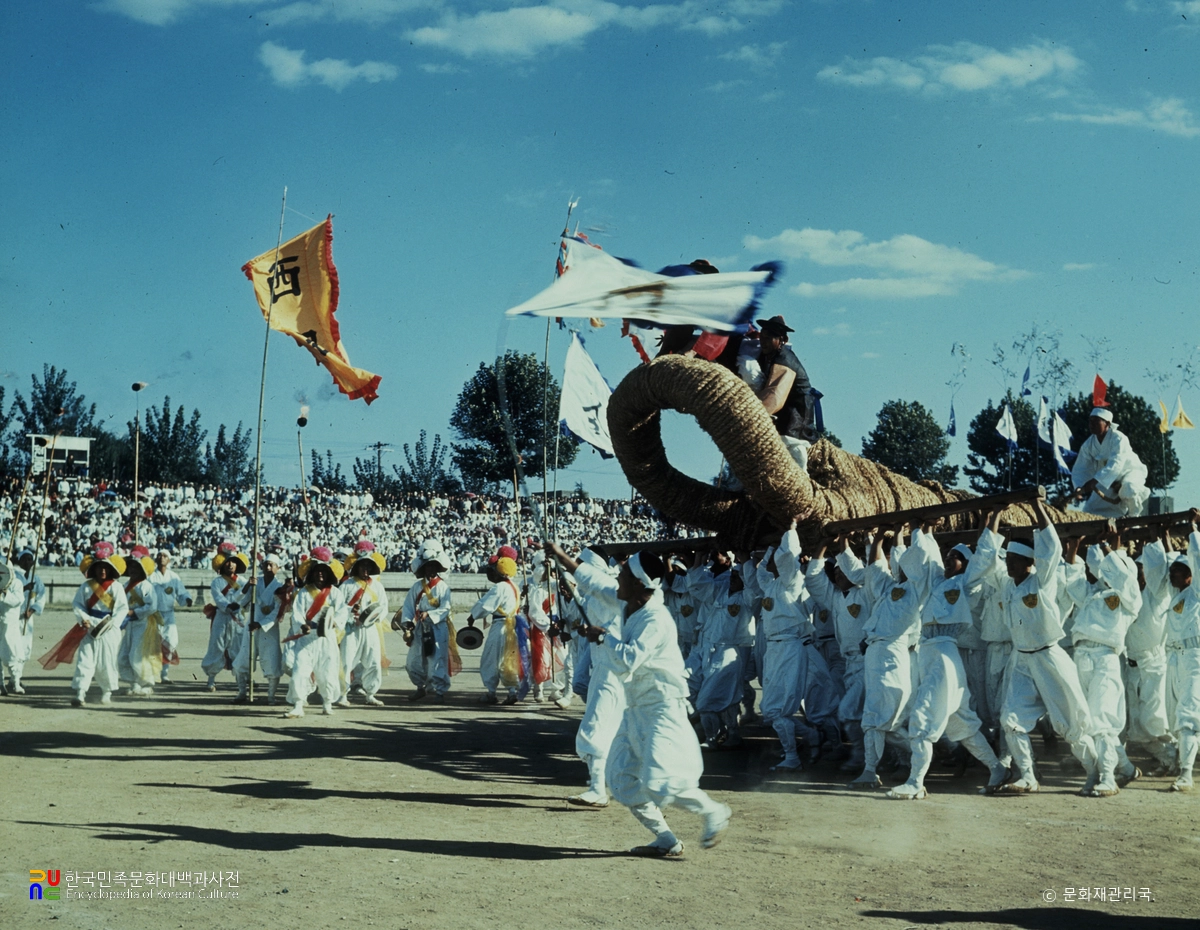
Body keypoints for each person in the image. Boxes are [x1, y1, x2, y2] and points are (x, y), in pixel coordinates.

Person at [597, 549, 731, 858]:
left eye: (623, 575)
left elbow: (629, 659)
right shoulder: (631, 608)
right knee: (620, 778)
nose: (618, 578)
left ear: (639, 582)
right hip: (635, 708)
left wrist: (604, 638)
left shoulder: (655, 618)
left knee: (662, 782)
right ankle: (666, 838)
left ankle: (713, 811)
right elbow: (596, 585)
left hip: (661, 707)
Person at [974, 502, 1100, 795]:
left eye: (1015, 561)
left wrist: (1036, 506)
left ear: (1029, 563)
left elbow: (1051, 549)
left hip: (1048, 657)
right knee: (1011, 720)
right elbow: (987, 557)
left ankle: (1096, 772)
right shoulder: (1007, 585)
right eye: (1008, 560)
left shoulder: (1042, 582)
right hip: (1021, 660)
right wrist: (994, 517)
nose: (1009, 565)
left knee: (1070, 723)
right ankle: (1028, 776)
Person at [886, 520, 1011, 799]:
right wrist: (922, 531)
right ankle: (997, 768)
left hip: (944, 655)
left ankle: (915, 782)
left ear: (965, 564)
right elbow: (924, 560)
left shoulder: (966, 584)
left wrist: (992, 519)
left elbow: (983, 557)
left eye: (955, 557)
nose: (948, 560)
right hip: (932, 654)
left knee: (923, 716)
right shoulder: (936, 584)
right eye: (947, 556)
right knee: (961, 723)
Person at [1125, 528, 1181, 776]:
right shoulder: (1127, 596)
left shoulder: (1157, 594)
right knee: (1137, 728)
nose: (1139, 575)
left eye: (1142, 570)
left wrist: (1157, 540)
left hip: (1154, 664)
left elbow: (1161, 565)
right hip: (1132, 667)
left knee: (1155, 720)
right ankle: (1168, 759)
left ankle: (1178, 756)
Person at [282, 547, 348, 719]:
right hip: (307, 638)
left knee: (328, 670)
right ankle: (298, 704)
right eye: (317, 571)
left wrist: (334, 622)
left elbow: (342, 612)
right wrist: (302, 625)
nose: (320, 574)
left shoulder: (335, 593)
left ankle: (327, 703)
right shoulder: (304, 593)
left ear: (329, 574)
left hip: (327, 637)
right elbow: (297, 614)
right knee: (300, 670)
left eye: (324, 571)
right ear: (312, 573)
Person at [1165, 510, 1200, 792]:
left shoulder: (1197, 592)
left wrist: (1192, 529)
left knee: (1188, 713)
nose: (1172, 574)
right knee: (1176, 713)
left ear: (1190, 575)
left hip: (1195, 658)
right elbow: (1166, 560)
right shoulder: (1176, 597)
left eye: (1178, 570)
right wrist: (1164, 535)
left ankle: (1186, 774)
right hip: (1175, 658)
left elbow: (1197, 557)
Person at [70, 543, 130, 707]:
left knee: (107, 661)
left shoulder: (116, 587)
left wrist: (112, 624)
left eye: (106, 567)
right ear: (94, 569)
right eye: (99, 567)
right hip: (89, 626)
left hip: (108, 628)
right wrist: (83, 618)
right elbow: (78, 605)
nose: (102, 571)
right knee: (85, 660)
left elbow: (122, 608)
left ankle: (106, 693)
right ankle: (80, 693)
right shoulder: (86, 586)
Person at [755, 314, 816, 471]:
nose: (763, 341)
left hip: (797, 408)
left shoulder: (785, 360)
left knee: (792, 442)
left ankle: (800, 478)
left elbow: (775, 396)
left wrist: (754, 416)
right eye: (762, 336)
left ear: (783, 340)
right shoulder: (767, 356)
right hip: (785, 408)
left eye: (769, 338)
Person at [399, 539, 456, 703]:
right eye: (427, 566)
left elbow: (446, 608)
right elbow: (408, 606)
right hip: (420, 628)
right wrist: (408, 623)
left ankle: (439, 691)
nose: (430, 569)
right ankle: (420, 687)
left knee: (436, 659)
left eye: (433, 566)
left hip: (438, 628)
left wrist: (430, 614)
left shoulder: (443, 587)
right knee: (414, 660)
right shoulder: (417, 587)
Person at [336, 540, 390, 707]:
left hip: (370, 628)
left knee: (373, 660)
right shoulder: (347, 585)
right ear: (357, 567)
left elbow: (384, 607)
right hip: (351, 628)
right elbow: (338, 607)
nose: (365, 569)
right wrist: (350, 610)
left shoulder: (378, 586)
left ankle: (371, 693)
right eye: (362, 566)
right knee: (346, 660)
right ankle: (342, 694)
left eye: (368, 566)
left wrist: (373, 617)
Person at [233, 552, 291, 705]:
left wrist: (261, 624)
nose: (268, 568)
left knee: (271, 662)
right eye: (266, 564)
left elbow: (278, 611)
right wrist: (247, 586)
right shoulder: (255, 582)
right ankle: (242, 692)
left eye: (272, 565)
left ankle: (271, 696)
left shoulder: (279, 587)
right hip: (250, 626)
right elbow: (238, 601)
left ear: (278, 568)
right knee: (242, 661)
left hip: (268, 630)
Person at [471, 547, 526, 705]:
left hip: (501, 625)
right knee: (508, 659)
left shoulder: (500, 587)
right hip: (514, 626)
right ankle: (512, 691)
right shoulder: (514, 586)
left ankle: (491, 692)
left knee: (491, 659)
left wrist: (473, 615)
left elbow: (485, 606)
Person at [1071, 407, 1149, 518]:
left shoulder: (1119, 438)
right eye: (1090, 421)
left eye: (1096, 421)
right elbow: (1081, 468)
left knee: (1129, 488)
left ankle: (1133, 518)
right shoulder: (1088, 445)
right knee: (1090, 509)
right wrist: (1078, 487)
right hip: (1107, 481)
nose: (1091, 424)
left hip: (1130, 473)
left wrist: (1094, 481)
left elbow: (1116, 464)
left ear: (1107, 423)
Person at [202, 546, 250, 692]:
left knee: (238, 647)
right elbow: (220, 600)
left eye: (233, 562)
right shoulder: (217, 582)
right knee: (216, 646)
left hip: (237, 619)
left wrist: (242, 599)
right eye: (227, 561)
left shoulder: (243, 581)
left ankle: (241, 678)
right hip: (221, 618)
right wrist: (230, 605)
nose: (230, 565)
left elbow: (247, 600)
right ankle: (211, 679)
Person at [116, 549, 162, 696]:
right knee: (124, 655)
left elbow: (152, 606)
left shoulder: (146, 586)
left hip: (143, 624)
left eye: (136, 567)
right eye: (130, 567)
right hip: (129, 624)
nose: (133, 570)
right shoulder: (125, 586)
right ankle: (134, 683)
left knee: (138, 655)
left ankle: (147, 684)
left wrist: (134, 612)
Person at [2, 550, 46, 694]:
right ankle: (11, 679)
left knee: (24, 649)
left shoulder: (36, 579)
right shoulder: (13, 576)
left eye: (30, 559)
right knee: (12, 649)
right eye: (24, 559)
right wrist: (26, 588)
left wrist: (32, 610)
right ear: (19, 561)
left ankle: (15, 679)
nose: (27, 562)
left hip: (27, 618)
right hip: (13, 618)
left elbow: (41, 598)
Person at [149, 550, 192, 684]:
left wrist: (187, 599)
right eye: (159, 555)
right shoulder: (150, 576)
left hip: (169, 614)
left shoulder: (173, 577)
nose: (162, 558)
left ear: (169, 560)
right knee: (154, 643)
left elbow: (181, 592)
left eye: (165, 556)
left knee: (170, 642)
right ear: (156, 559)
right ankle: (153, 674)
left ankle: (164, 674)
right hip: (154, 614)